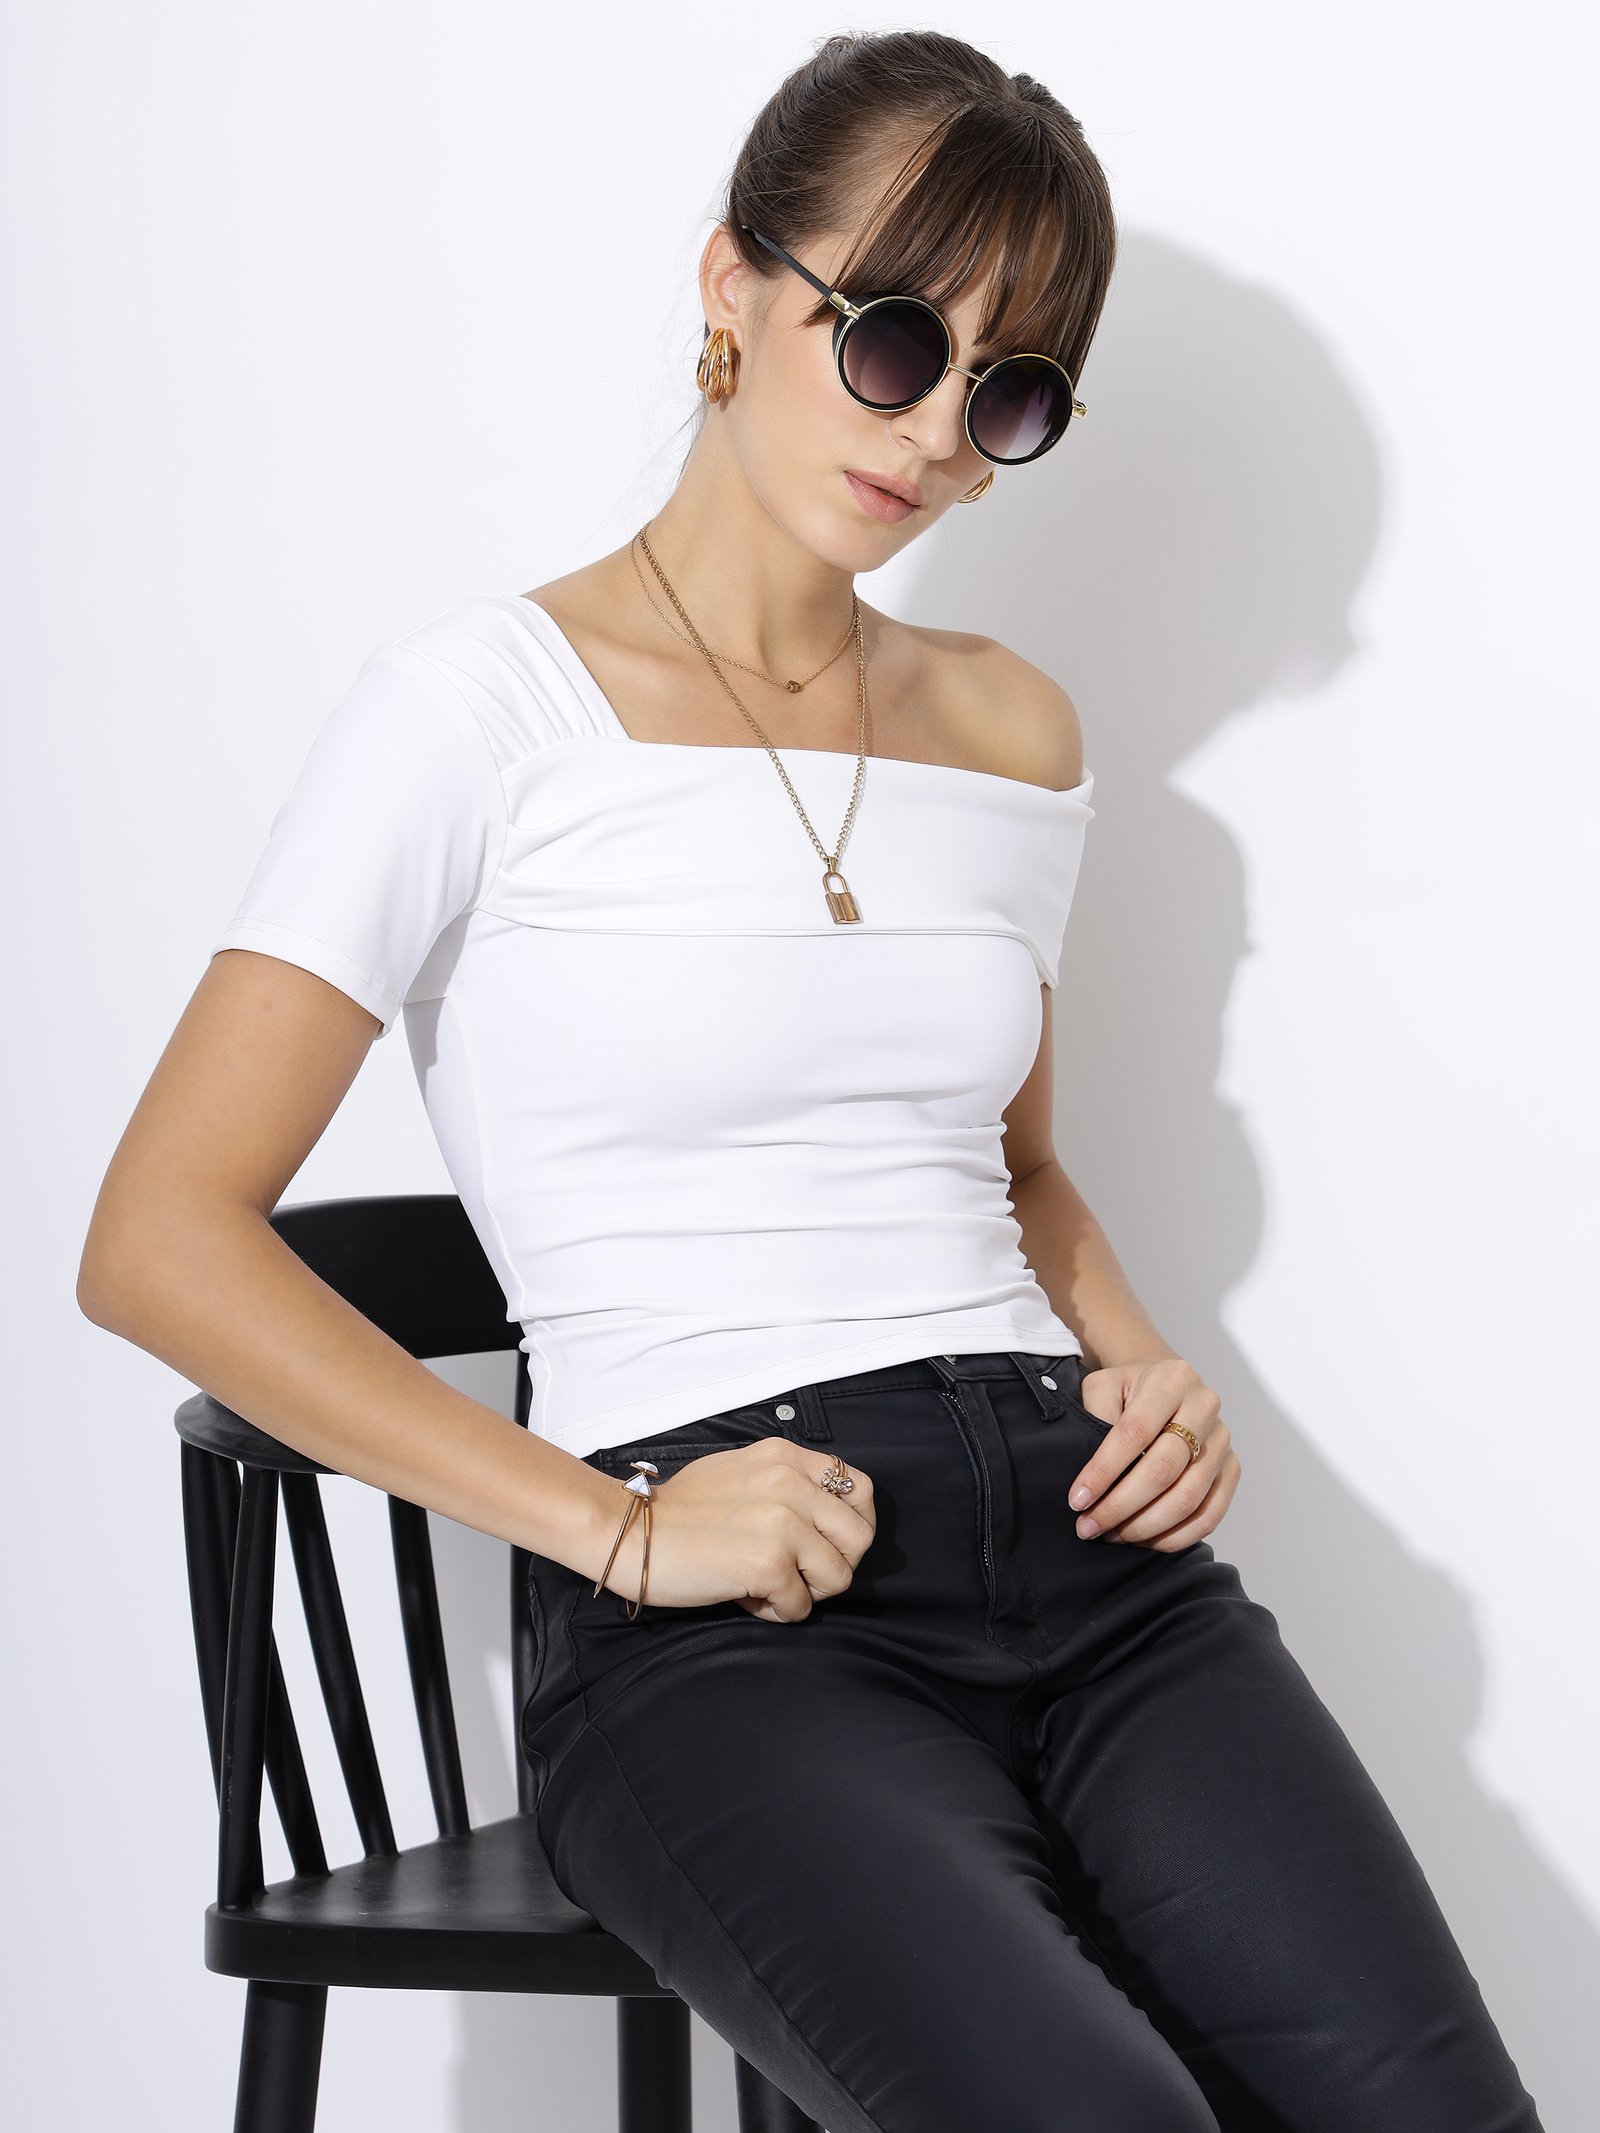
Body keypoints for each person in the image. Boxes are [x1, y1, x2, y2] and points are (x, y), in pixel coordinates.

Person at [77, 28, 1546, 2133]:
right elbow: (155, 1238)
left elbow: (1012, 1168)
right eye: (893, 340)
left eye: (1007, 393)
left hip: (1093, 1557)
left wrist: (1143, 1363)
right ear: (731, 284)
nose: (935, 432)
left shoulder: (1012, 731)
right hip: (730, 1613)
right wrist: (619, 1528)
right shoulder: (474, 717)